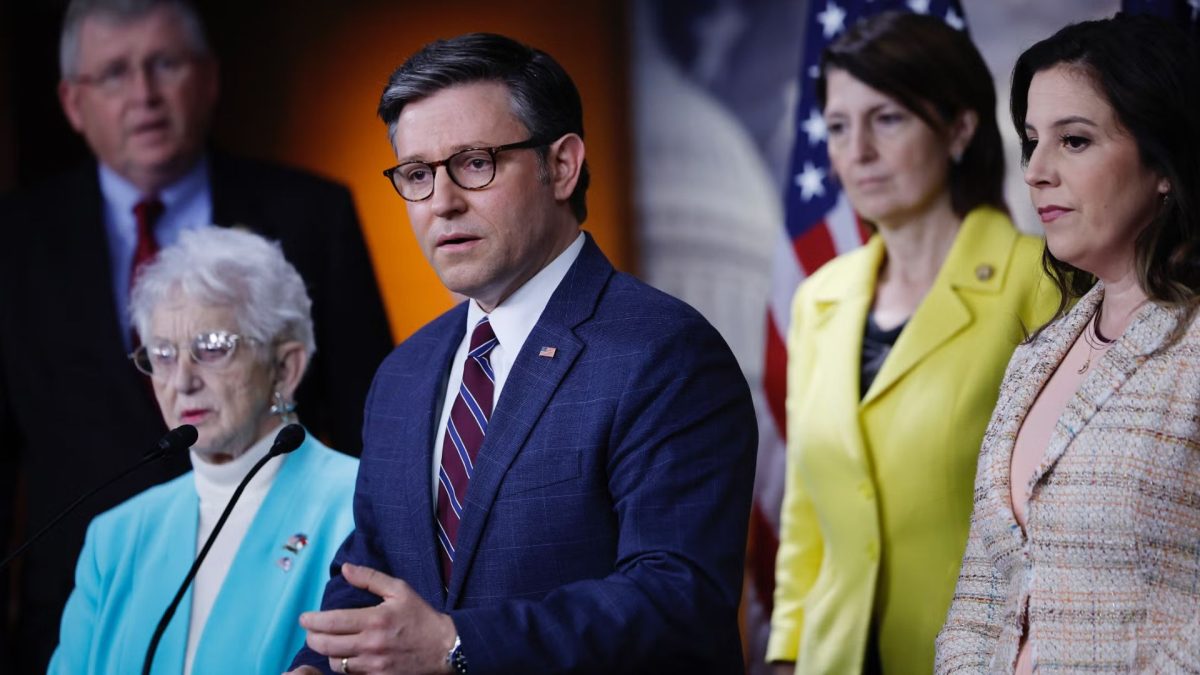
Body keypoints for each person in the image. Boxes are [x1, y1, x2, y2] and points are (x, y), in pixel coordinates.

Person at [285, 32, 757, 675]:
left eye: (475, 162)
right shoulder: (404, 373)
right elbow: (372, 564)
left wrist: (456, 644)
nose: (442, 202)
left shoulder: (665, 353)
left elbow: (677, 600)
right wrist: (316, 665)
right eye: (418, 175)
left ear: (561, 166)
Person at [0, 0, 392, 669]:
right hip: (81, 609)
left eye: (164, 64)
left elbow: (373, 417)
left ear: (208, 78)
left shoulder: (312, 213)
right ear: (72, 102)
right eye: (115, 73)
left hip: (295, 587)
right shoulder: (14, 241)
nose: (144, 95)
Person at [767, 12, 1055, 674]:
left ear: (959, 128)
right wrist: (786, 651)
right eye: (838, 126)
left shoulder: (1036, 284)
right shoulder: (819, 298)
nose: (856, 151)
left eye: (887, 119)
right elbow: (806, 508)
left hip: (986, 656)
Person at [936, 14, 1200, 673]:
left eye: (1074, 141)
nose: (1036, 172)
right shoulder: (1035, 357)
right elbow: (982, 590)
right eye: (1032, 142)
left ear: (1164, 163)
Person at [47, 227, 358, 675]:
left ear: (285, 368)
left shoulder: (360, 508)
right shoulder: (115, 537)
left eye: (211, 349)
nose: (182, 381)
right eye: (163, 354)